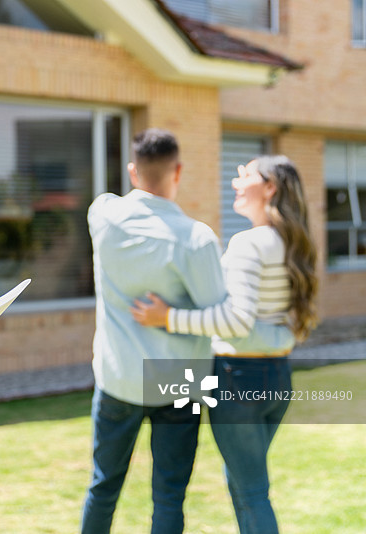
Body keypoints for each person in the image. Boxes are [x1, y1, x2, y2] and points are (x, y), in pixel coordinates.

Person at [132, 155, 317, 534]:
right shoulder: (293, 242)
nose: (235, 180)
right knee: (244, 481)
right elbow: (291, 324)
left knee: (252, 490)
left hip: (239, 378)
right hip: (277, 376)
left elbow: (235, 321)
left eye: (245, 174)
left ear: (269, 188)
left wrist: (167, 317)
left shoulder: (249, 243)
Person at [81, 128, 229, 534]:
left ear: (132, 171)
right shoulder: (197, 240)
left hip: (119, 372)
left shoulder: (103, 215)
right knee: (169, 494)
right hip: (178, 378)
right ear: (178, 170)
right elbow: (223, 316)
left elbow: (108, 203)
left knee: (103, 486)